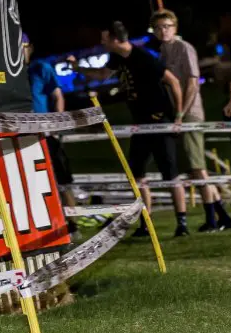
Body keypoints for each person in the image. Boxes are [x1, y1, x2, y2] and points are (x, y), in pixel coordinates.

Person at [71, 21, 190, 237]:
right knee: (136, 175)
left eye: (104, 38)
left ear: (116, 39)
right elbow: (101, 75)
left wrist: (179, 117)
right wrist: (77, 68)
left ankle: (182, 223)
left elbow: (172, 81)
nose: (101, 42)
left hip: (159, 121)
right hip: (139, 124)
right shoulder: (117, 58)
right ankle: (146, 222)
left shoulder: (143, 57)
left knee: (170, 174)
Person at [152, 9, 231, 232]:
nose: (163, 31)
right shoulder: (162, 52)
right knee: (194, 167)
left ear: (175, 27)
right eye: (158, 27)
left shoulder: (183, 48)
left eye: (167, 26)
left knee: (197, 167)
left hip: (188, 113)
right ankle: (223, 216)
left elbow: (192, 82)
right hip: (179, 113)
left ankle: (212, 220)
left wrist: (181, 113)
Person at [23, 33, 82, 242]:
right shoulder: (10, 74)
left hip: (46, 134)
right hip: (22, 137)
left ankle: (73, 225)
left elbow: (57, 96)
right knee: (31, 184)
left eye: (23, 46)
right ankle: (42, 228)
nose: (20, 51)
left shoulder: (40, 68)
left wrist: (56, 125)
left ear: (29, 47)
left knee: (62, 180)